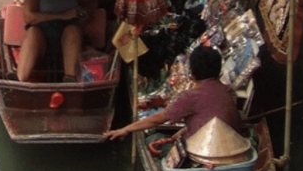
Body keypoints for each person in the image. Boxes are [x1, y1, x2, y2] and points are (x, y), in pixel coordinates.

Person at [104, 45, 242, 140]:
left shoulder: (190, 96)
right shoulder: (227, 90)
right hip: (232, 142)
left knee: (154, 139)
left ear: (193, 73)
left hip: (206, 150)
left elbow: (157, 119)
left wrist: (125, 129)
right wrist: (185, 130)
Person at [15, 0, 100, 83]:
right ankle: (19, 81)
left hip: (70, 36)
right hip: (42, 37)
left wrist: (82, 12)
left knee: (72, 31)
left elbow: (91, 4)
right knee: (32, 32)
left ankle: (70, 80)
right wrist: (62, 16)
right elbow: (29, 17)